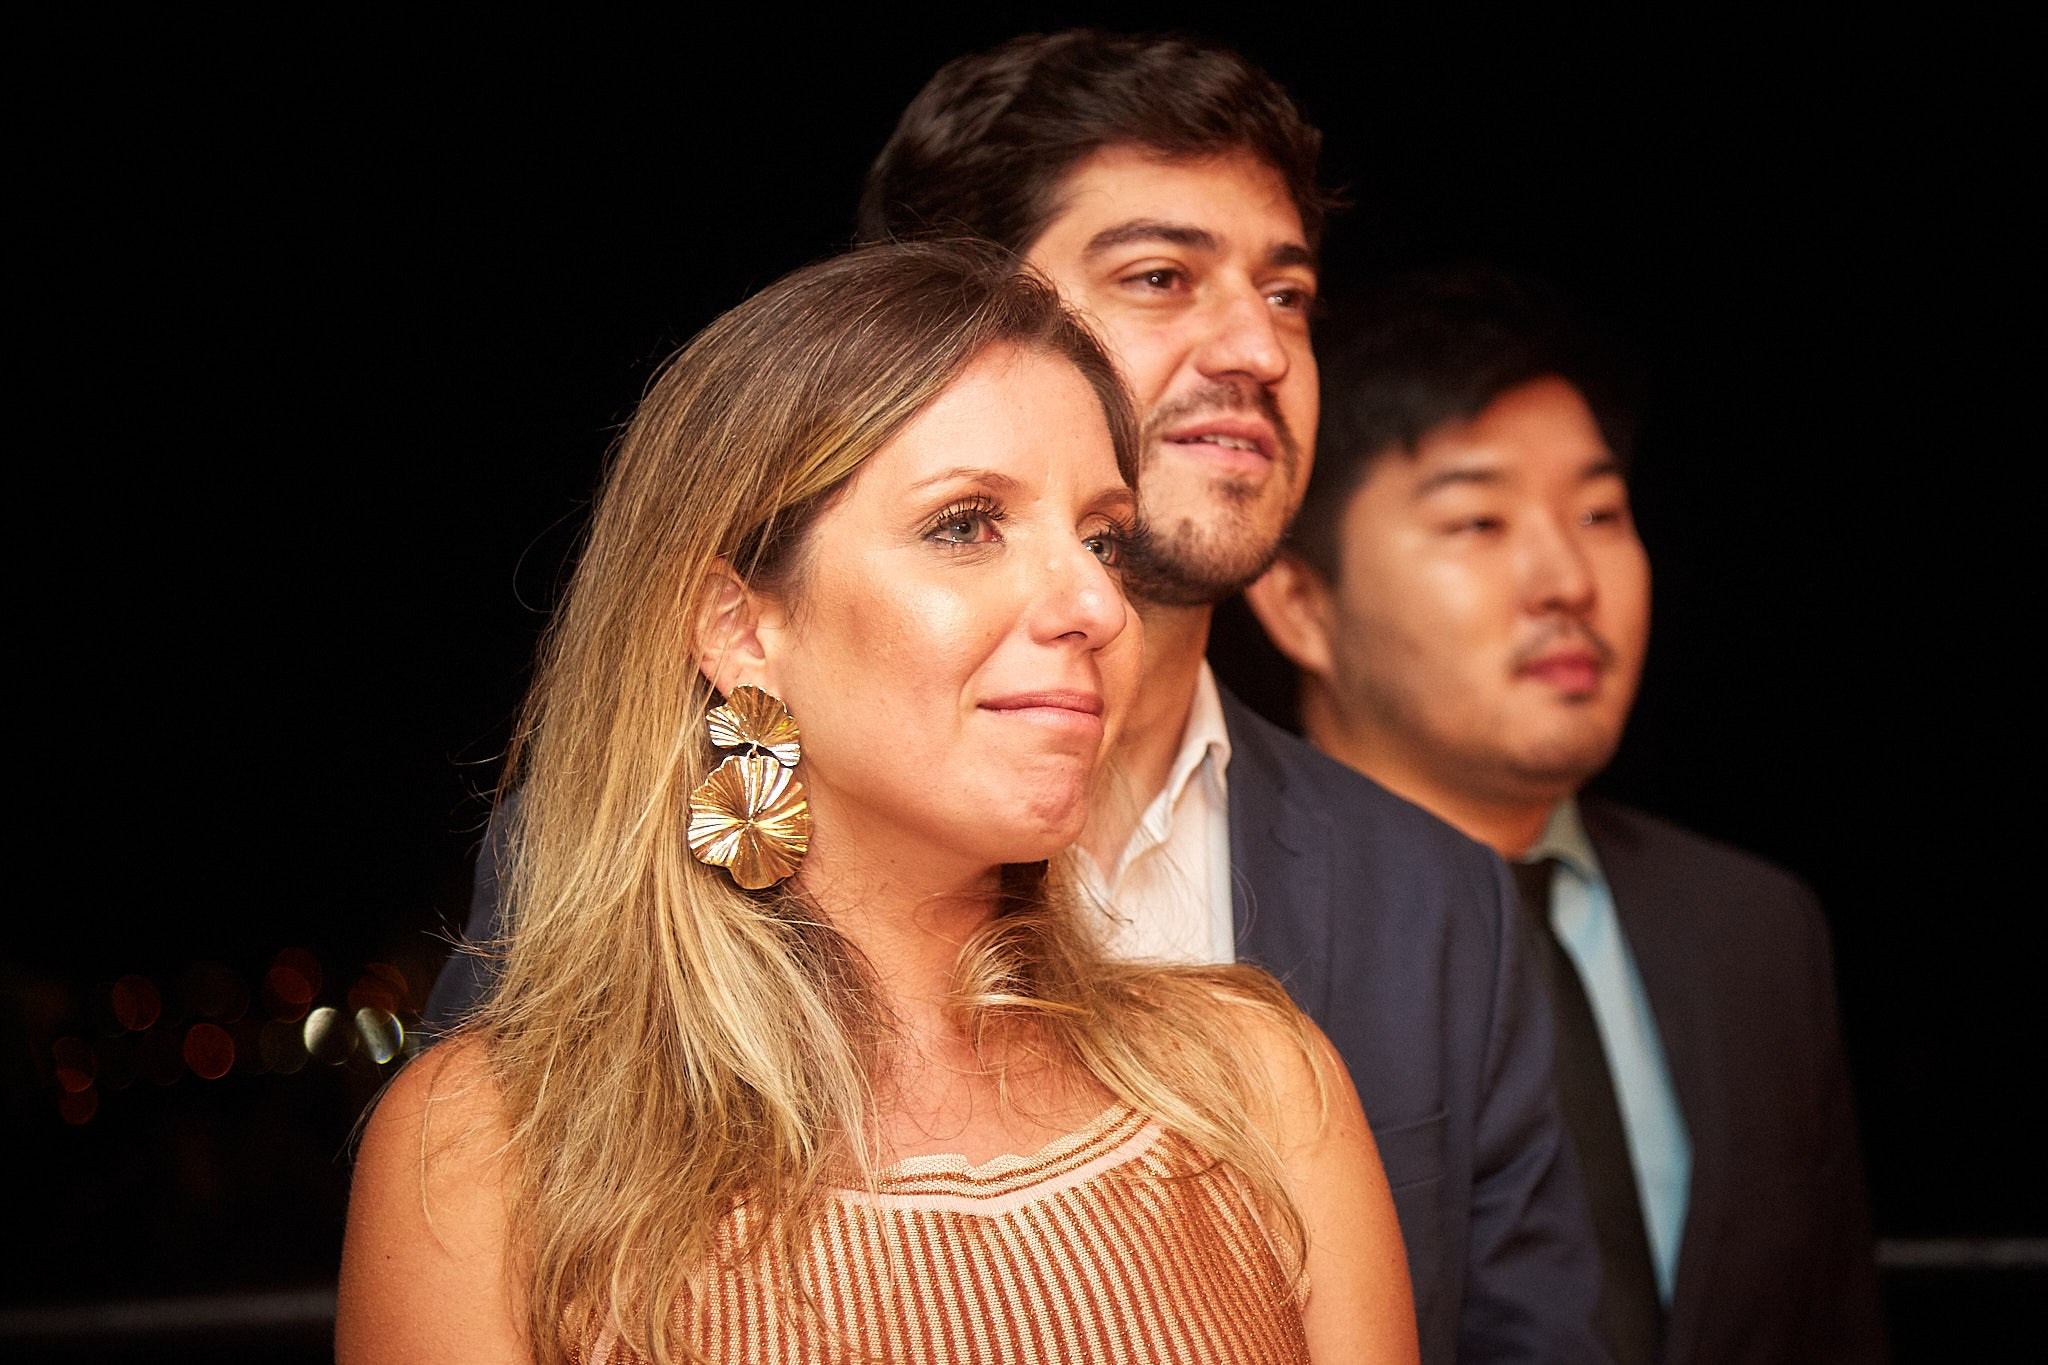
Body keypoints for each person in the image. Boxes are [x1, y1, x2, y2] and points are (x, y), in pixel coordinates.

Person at [430, 31, 1603, 1363]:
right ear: (940, 300)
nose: (1258, 349)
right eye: (1161, 276)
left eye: (1288, 295)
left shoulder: (1416, 922)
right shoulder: (531, 1017)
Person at [340, 242, 1420, 1363]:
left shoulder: (1256, 1086)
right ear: (740, 628)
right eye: (965, 524)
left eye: (1101, 537)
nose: (1096, 601)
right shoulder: (489, 1151)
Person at [1244, 268, 1887, 1363]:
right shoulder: (1226, 926)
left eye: (1598, 513)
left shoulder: (1752, 930)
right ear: (1301, 602)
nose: (1564, 581)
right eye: (1477, 520)